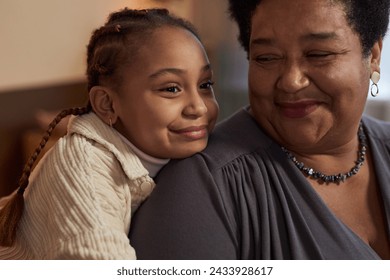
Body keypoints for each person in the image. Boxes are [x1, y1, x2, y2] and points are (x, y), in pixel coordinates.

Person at [129, 0, 390, 260]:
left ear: (374, 55)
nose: (291, 81)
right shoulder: (201, 187)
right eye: (266, 58)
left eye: (318, 54)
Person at [0, 8, 218, 259]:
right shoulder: (85, 168)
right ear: (107, 105)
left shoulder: (183, 148)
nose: (199, 107)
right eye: (171, 88)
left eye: (205, 85)